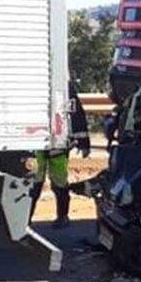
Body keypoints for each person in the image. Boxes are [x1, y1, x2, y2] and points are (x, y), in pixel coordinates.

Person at [31, 82, 90, 229]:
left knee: (51, 183)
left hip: (52, 142)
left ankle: (61, 216)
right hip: (47, 142)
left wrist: (83, 141)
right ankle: (27, 219)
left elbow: (76, 113)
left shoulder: (63, 85)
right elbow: (77, 113)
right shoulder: (63, 85)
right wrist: (83, 142)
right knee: (35, 184)